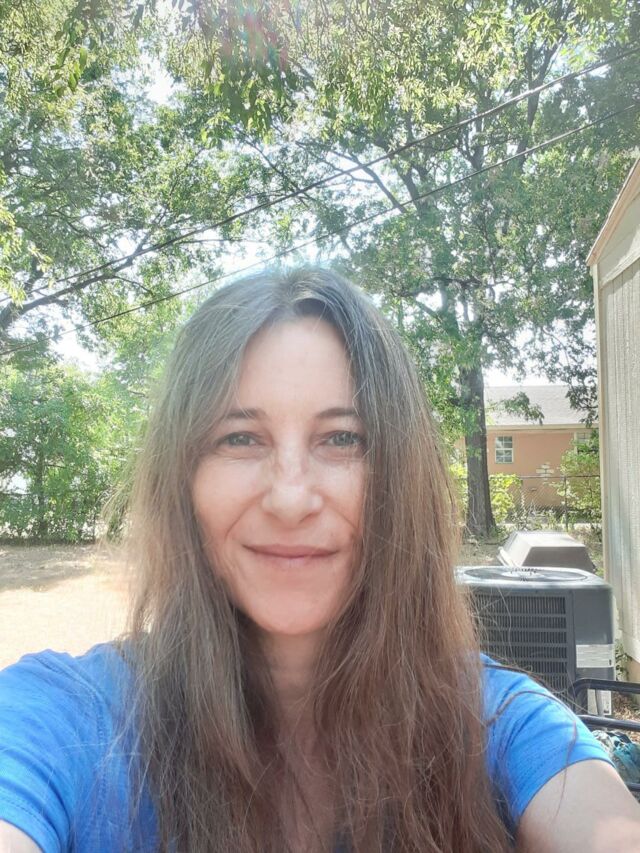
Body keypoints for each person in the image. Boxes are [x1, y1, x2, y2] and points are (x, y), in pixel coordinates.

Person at [0, 267, 639, 853]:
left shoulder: (501, 722)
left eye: (341, 439)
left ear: (399, 479)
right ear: (183, 480)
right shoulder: (66, 719)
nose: (290, 497)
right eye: (240, 437)